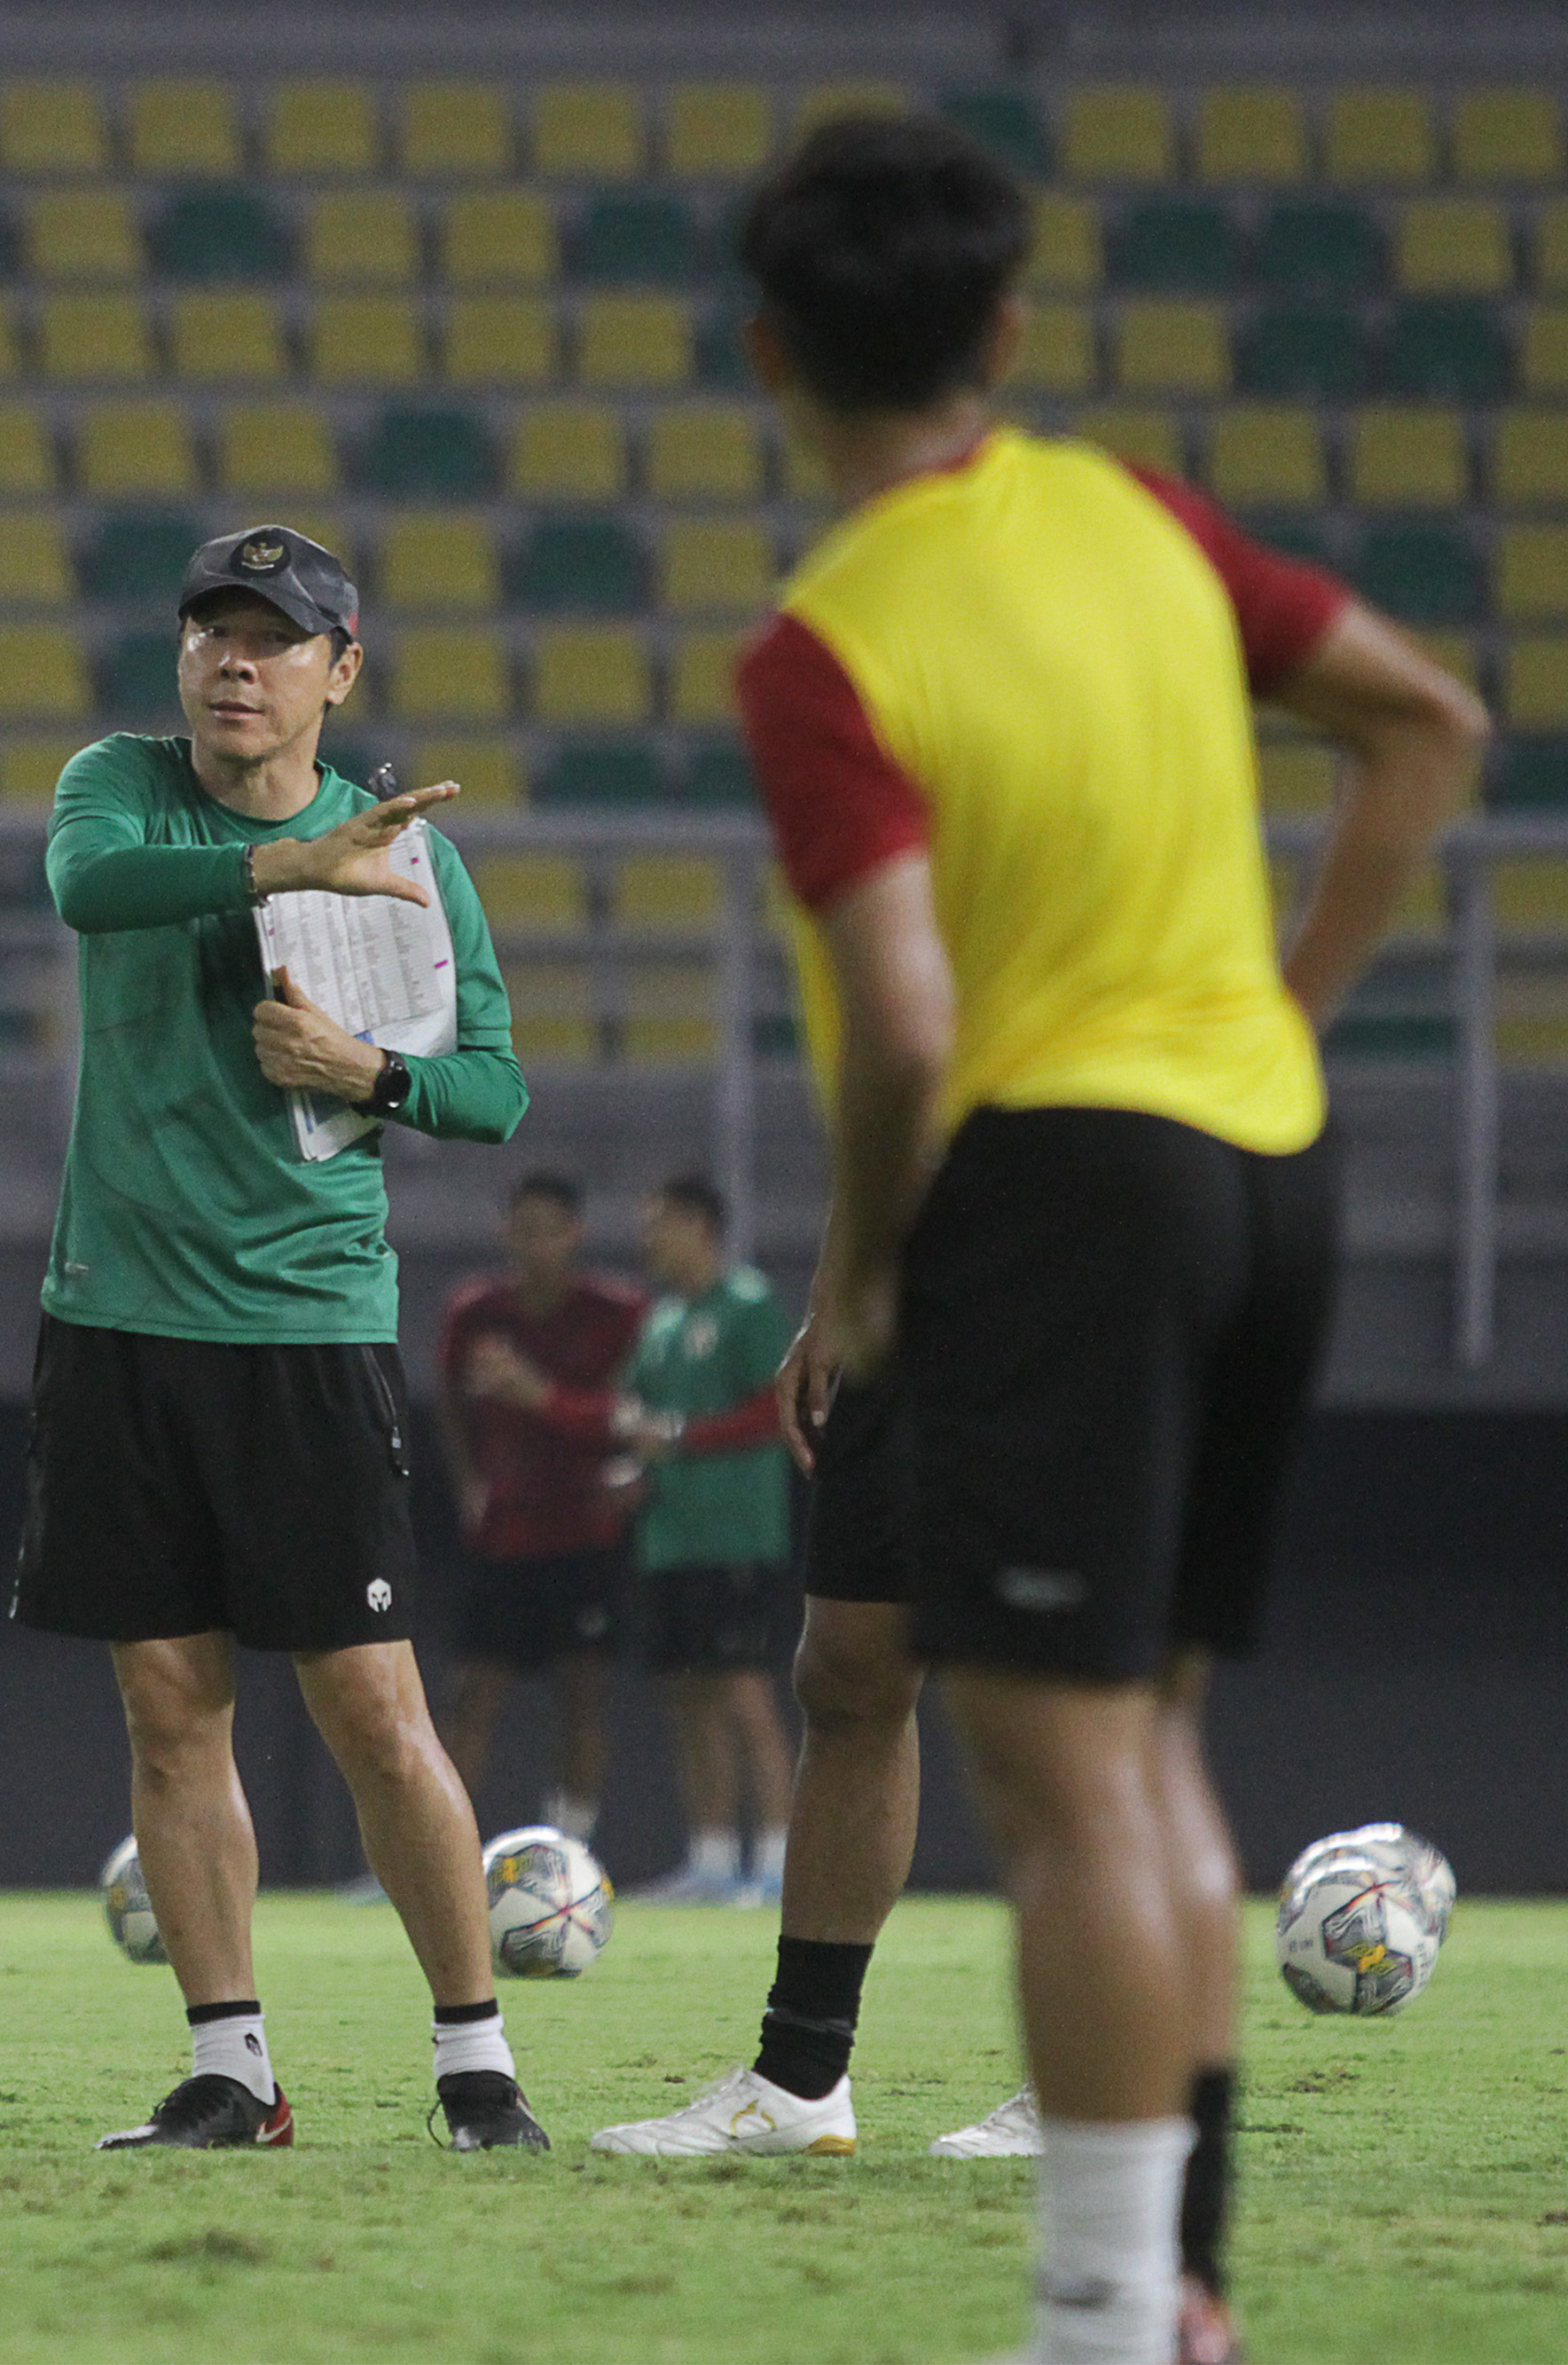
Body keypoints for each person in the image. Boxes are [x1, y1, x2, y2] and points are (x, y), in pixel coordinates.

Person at [584, 117, 1484, 2365]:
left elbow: (900, 1012)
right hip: (1264, 1165)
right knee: (1145, 1757)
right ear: (1003, 329)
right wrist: (1270, 1011)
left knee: (1069, 1784)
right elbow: (1426, 722)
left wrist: (866, 1262)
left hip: (1048, 1191)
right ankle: (1167, 2291)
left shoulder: (822, 651)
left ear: (766, 352)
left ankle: (1101, 2317)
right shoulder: (1139, 518)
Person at [15, 522, 549, 2155]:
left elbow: (499, 1089)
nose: (234, 663)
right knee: (170, 1708)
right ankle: (232, 2071)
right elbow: (86, 889)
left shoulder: (404, 846)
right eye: (211, 634)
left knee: (374, 1710)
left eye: (274, 639)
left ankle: (477, 2069)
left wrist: (371, 1076)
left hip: (307, 1326)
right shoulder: (118, 783)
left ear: (342, 669)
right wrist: (279, 871)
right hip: (116, 1315)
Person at [432, 1175, 649, 1844]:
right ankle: (439, 1853)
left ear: (575, 1233)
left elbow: (632, 1411)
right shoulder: (475, 1312)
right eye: (522, 1227)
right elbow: (447, 1404)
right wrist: (469, 1481)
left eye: (549, 1228)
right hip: (504, 1532)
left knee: (582, 1695)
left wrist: (539, 1397)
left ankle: (570, 1849)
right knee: (471, 1694)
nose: (535, 1244)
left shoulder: (619, 1312)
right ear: (505, 1231)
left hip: (585, 1529)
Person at [610, 1175, 797, 1905]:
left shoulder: (746, 1305)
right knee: (690, 1699)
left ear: (699, 1224)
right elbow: (639, 1410)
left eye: (659, 1222)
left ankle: (778, 1864)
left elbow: (771, 1409)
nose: (648, 1237)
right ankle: (713, 1860)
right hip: (671, 1536)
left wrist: (681, 1437)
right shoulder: (660, 1320)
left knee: (747, 1695)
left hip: (735, 1533)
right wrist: (636, 1458)